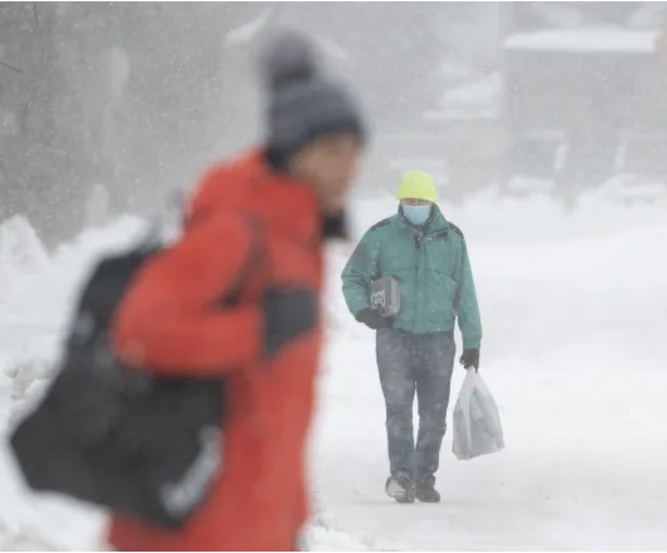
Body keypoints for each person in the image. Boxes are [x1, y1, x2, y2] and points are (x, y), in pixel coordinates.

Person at [107, 30, 367, 550]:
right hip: (192, 527)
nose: (349, 167)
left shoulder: (297, 239)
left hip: (252, 524)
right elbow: (140, 331)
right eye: (333, 151)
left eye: (355, 150)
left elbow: (275, 411)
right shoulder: (237, 227)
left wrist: (289, 522)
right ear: (295, 151)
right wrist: (260, 329)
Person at [340, 170, 482, 504]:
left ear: (432, 202)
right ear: (400, 202)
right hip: (394, 339)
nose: (414, 206)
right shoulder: (381, 236)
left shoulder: (452, 239)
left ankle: (425, 478)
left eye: (420, 200)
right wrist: (363, 310)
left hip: (438, 341)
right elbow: (353, 276)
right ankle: (402, 476)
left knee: (434, 417)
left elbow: (466, 293)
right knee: (398, 411)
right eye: (409, 200)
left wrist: (472, 341)